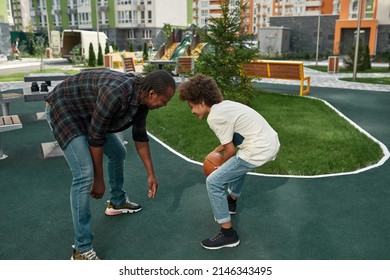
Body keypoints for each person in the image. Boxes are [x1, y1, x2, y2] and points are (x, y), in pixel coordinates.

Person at [45, 69, 176, 260]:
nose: (164, 105)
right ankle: (81, 249)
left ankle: (117, 201)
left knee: (118, 152)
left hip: (89, 110)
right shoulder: (116, 93)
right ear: (151, 94)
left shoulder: (142, 101)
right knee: (84, 175)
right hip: (64, 108)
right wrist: (99, 179)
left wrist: (151, 174)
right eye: (164, 101)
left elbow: (139, 136)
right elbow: (96, 138)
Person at [178, 74, 280, 250]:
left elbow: (231, 151)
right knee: (237, 167)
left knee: (214, 181)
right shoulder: (223, 107)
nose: (192, 111)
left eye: (191, 106)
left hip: (259, 149)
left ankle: (228, 234)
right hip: (268, 142)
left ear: (201, 102)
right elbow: (231, 140)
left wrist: (219, 166)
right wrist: (218, 151)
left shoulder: (214, 117)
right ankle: (231, 202)